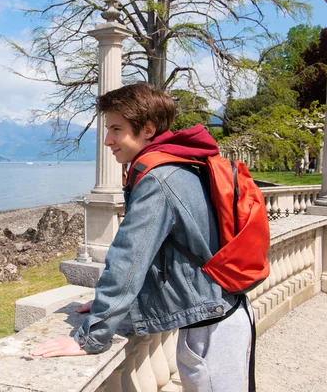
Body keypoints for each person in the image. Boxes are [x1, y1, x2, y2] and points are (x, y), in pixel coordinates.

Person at [31, 82, 252, 391]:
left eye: (116, 129)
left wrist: (91, 335)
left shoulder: (158, 180)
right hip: (219, 315)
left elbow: (128, 260)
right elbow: (163, 255)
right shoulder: (180, 164)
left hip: (212, 331)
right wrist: (106, 305)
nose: (108, 140)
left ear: (147, 129)